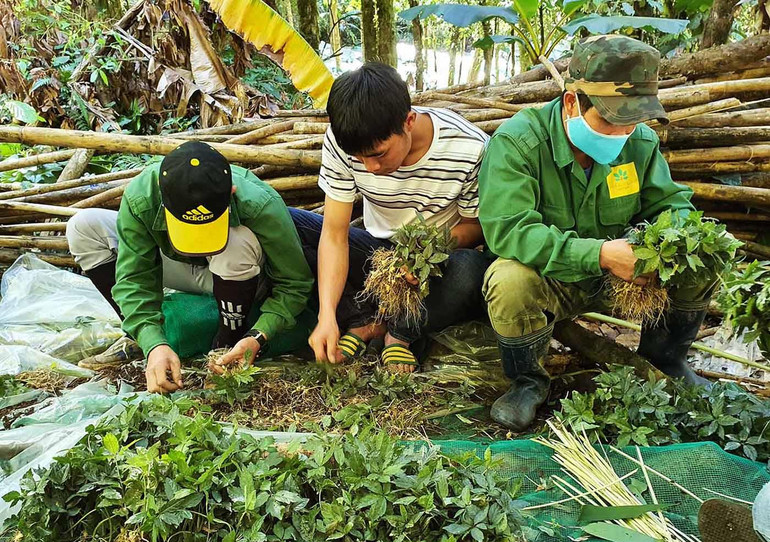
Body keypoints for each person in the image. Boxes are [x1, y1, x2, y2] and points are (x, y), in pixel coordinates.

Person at [478, 35, 718, 431]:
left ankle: (666, 360)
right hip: (554, 279)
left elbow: (671, 205)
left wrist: (663, 245)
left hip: (624, 281)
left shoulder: (639, 142)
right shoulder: (518, 144)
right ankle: (527, 381)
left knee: (699, 256)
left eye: (632, 121)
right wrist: (603, 254)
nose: (622, 132)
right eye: (610, 119)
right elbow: (509, 230)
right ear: (573, 102)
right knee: (508, 279)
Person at [290, 62, 491, 372]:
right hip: (377, 254)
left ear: (408, 121)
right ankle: (365, 320)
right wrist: (326, 314)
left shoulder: (468, 147)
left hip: (438, 262)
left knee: (471, 272)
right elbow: (334, 234)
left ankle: (400, 334)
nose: (369, 167)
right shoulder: (344, 141)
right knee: (292, 226)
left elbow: (474, 227)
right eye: (359, 158)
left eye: (379, 154)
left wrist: (426, 252)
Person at [66, 141, 313, 393]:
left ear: (231, 193)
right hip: (178, 266)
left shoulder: (260, 203)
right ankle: (145, 339)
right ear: (163, 201)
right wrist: (152, 342)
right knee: (83, 225)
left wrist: (259, 335)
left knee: (237, 242)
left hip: (243, 275)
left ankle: (226, 346)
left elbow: (294, 283)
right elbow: (134, 278)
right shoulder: (143, 197)